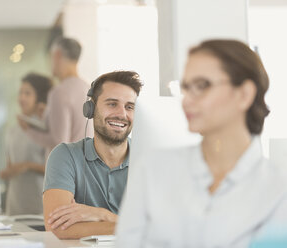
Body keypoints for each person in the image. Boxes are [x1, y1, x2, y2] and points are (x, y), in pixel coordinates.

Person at [116, 39, 287, 247]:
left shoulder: (278, 191)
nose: (187, 100)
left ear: (244, 94)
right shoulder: (152, 172)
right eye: (186, 88)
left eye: (202, 86)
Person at [43, 71, 143, 239]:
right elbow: (57, 227)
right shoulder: (65, 156)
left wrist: (103, 215)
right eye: (112, 104)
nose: (122, 114)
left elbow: (162, 228)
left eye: (129, 107)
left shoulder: (148, 159)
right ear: (90, 109)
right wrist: (133, 226)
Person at [20, 37, 93, 157]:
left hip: (66, 170)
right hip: (85, 166)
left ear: (57, 55)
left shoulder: (59, 92)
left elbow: (59, 143)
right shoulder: (88, 88)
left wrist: (28, 130)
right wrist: (48, 115)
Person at [0, 73, 52, 215]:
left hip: (38, 204)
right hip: (15, 203)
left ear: (39, 97)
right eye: (20, 93)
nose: (21, 98)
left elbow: (56, 169)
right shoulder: (12, 130)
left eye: (27, 93)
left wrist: (27, 166)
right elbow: (11, 165)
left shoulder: (46, 129)